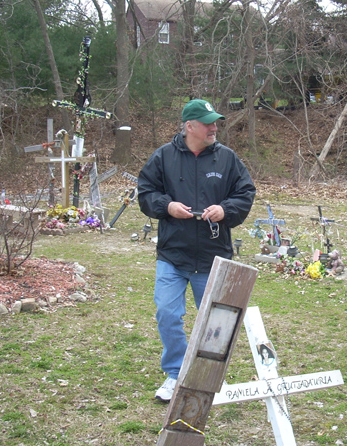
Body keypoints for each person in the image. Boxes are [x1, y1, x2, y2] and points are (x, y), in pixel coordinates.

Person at [137, 99, 256, 402]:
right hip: (173, 255)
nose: (214, 127)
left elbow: (245, 193)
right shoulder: (163, 157)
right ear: (190, 126)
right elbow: (146, 192)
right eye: (208, 123)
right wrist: (168, 206)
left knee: (218, 323)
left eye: (215, 122)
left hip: (214, 256)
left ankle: (210, 379)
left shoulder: (227, 159)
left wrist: (225, 209)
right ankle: (175, 374)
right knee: (167, 313)